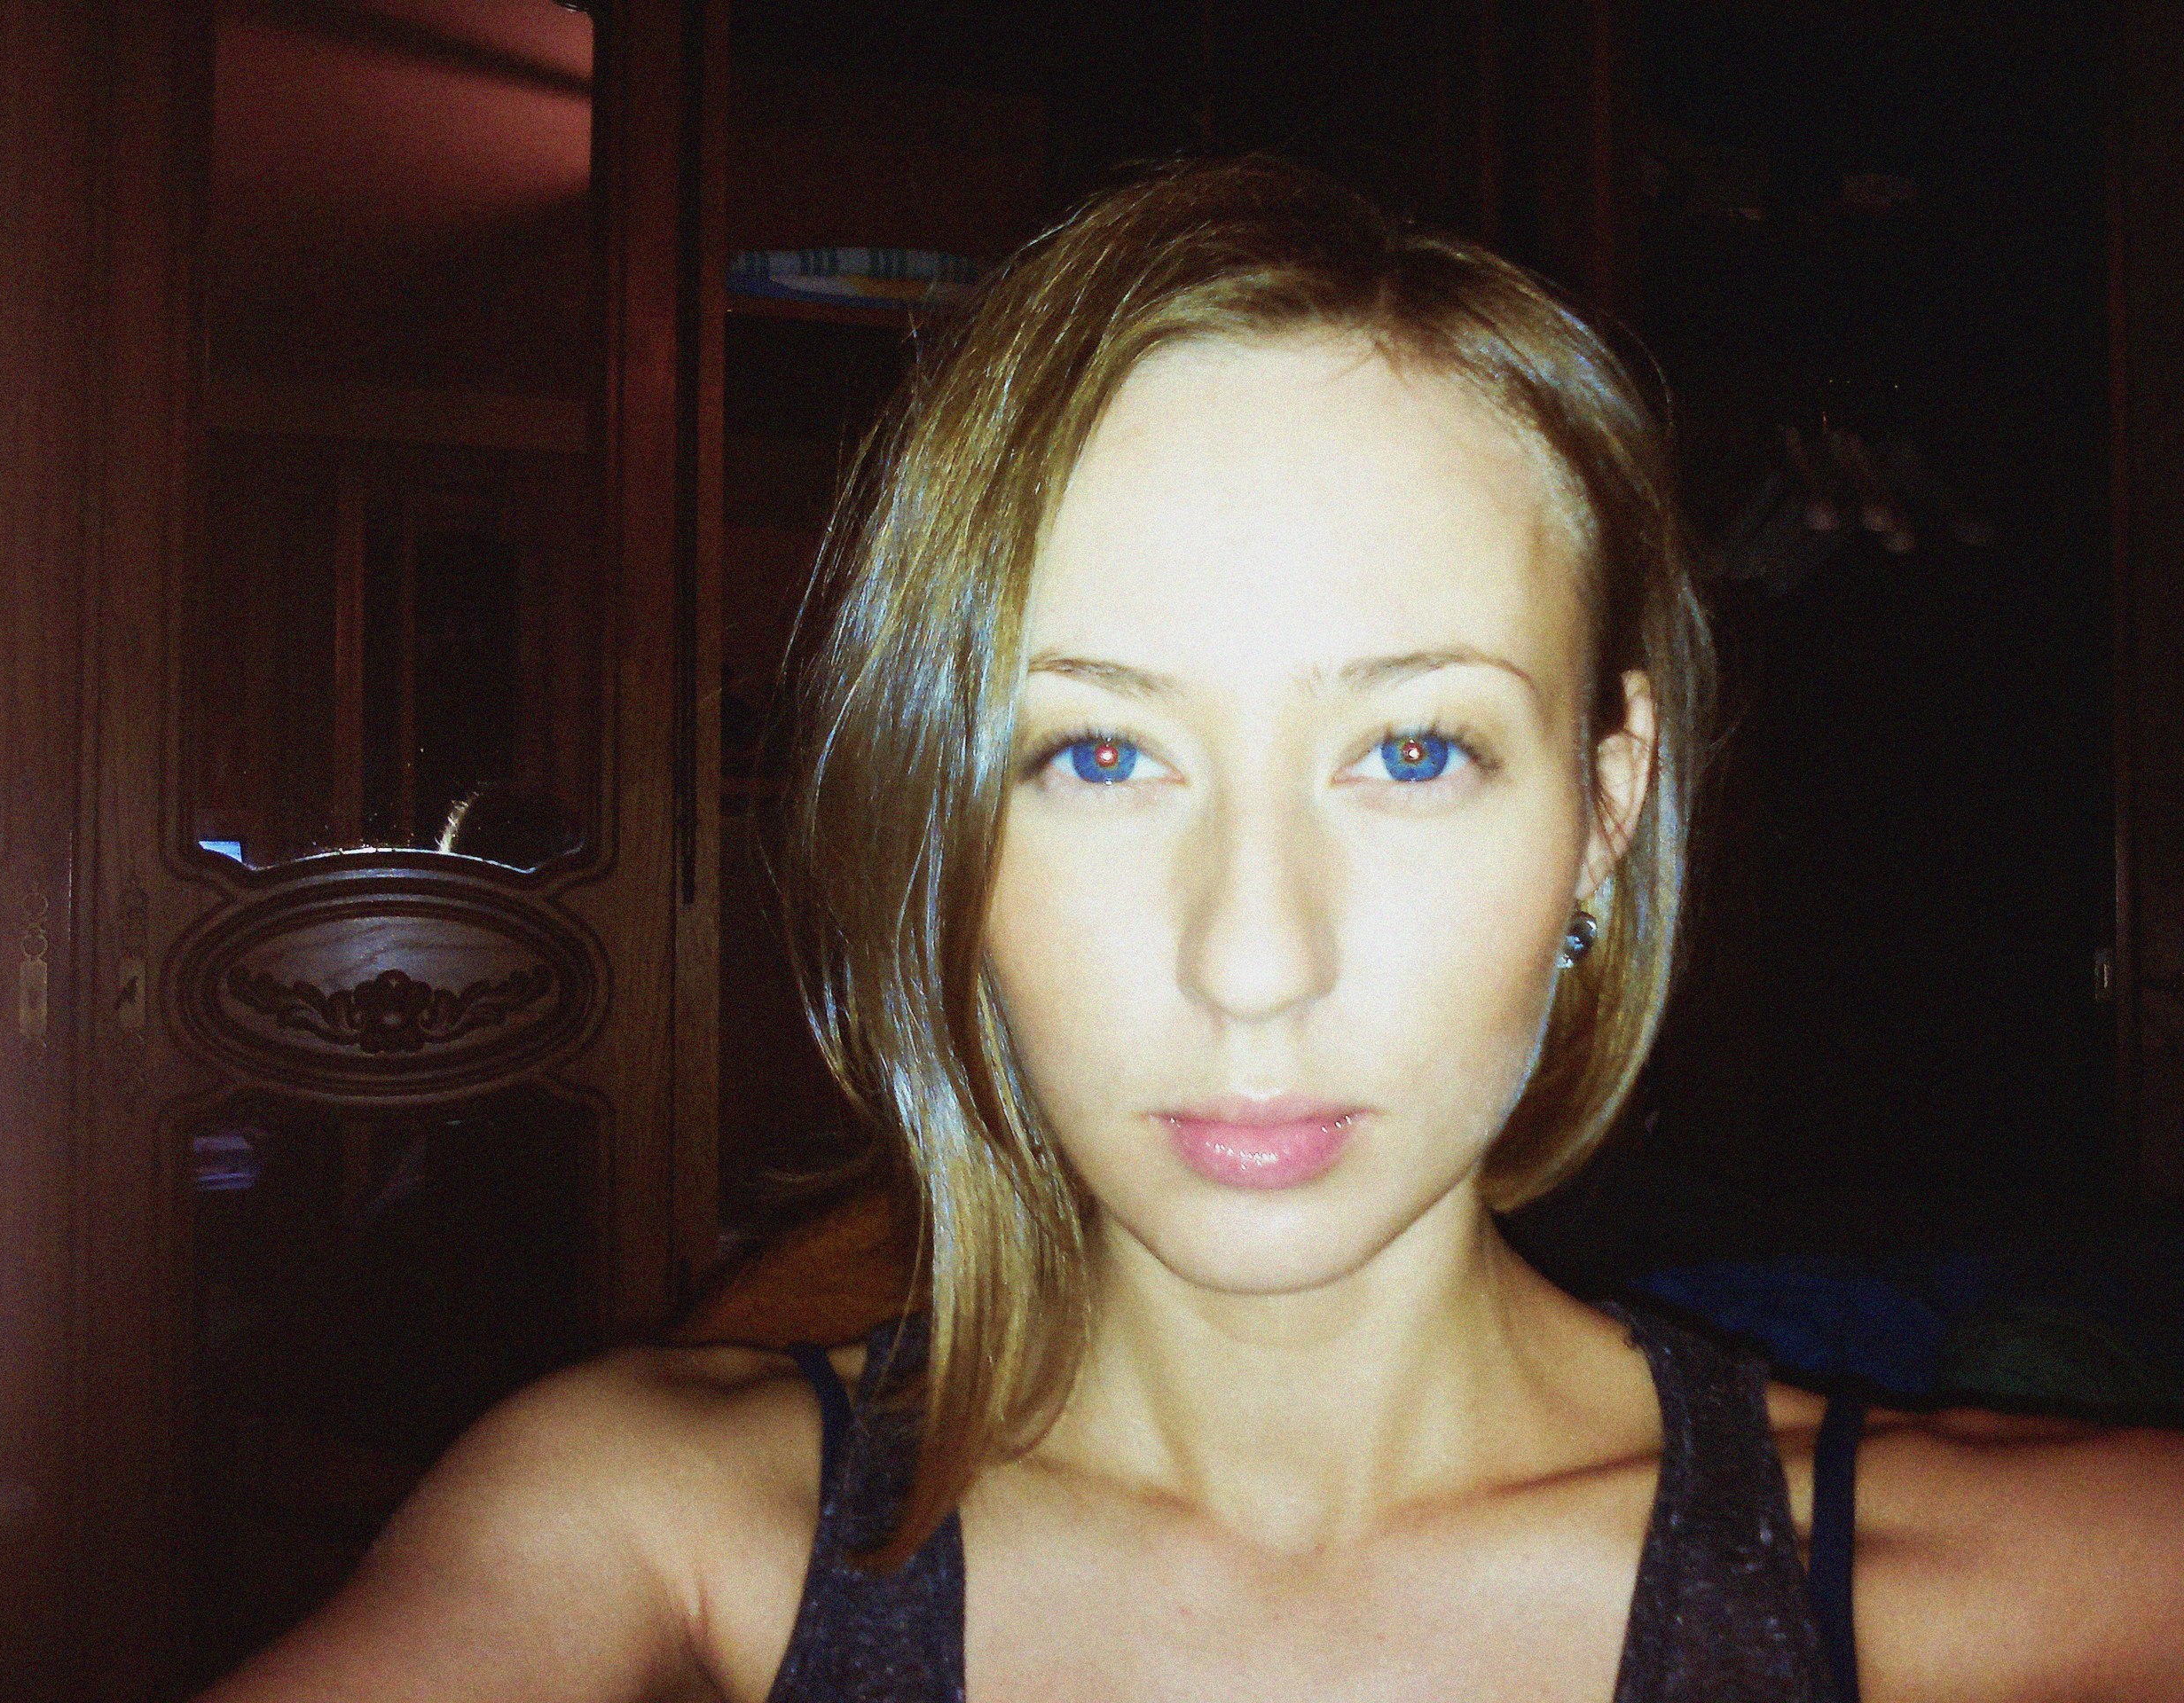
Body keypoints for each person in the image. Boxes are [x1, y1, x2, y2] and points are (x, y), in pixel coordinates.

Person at [200, 158, 2184, 1703]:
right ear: (946, 824)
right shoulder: (645, 1528)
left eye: (1411, 750)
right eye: (1099, 755)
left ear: (1605, 812)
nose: (1250, 961)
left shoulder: (2078, 1593)